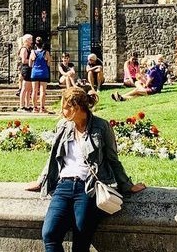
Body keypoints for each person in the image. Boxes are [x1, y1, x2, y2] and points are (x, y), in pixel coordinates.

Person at [24, 86, 146, 252]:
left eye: (65, 108)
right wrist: (41, 181)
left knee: (81, 238)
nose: (62, 112)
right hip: (63, 186)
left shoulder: (101, 127)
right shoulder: (63, 126)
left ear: (76, 108)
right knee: (50, 234)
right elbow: (53, 157)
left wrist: (128, 186)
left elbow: (112, 159)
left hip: (88, 188)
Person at [30, 35, 52, 113]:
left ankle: (34, 108)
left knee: (34, 91)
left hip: (35, 72)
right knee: (42, 91)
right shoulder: (46, 53)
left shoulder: (33, 52)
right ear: (42, 44)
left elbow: (30, 64)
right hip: (43, 72)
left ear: (35, 44)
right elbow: (49, 63)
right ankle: (42, 108)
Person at [18, 33, 34, 111]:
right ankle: (21, 106)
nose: (32, 41)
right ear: (27, 40)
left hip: (30, 69)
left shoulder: (29, 48)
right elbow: (24, 60)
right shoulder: (24, 49)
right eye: (30, 39)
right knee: (24, 88)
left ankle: (27, 105)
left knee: (29, 89)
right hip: (26, 69)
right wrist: (32, 61)